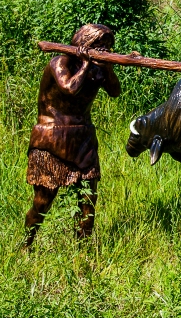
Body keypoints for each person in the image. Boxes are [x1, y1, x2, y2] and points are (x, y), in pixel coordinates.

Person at [23, 24, 121, 248]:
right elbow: (70, 88)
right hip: (52, 139)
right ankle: (26, 243)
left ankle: (82, 250)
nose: (104, 49)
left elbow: (115, 92)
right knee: (43, 200)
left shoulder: (99, 69)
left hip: (83, 139)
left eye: (107, 46)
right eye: (99, 45)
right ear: (84, 44)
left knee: (88, 199)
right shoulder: (60, 63)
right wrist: (86, 63)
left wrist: (107, 68)